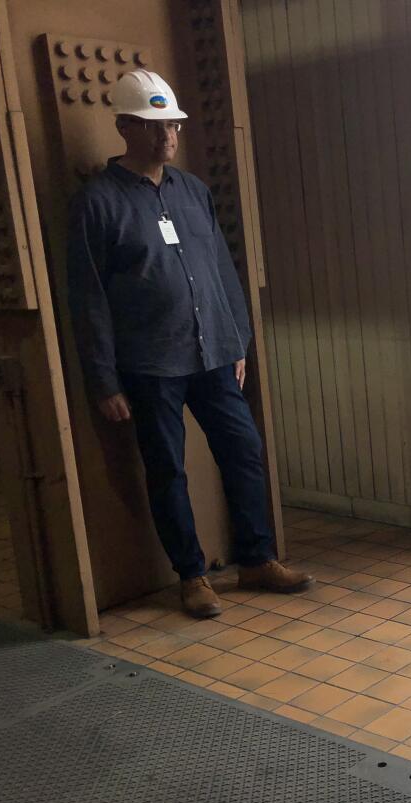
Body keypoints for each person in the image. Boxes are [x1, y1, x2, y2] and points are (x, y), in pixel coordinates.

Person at [66, 69, 311, 618]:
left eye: (172, 124)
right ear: (125, 126)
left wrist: (238, 340)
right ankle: (192, 576)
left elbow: (222, 270)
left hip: (214, 355)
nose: (167, 136)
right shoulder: (97, 203)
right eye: (154, 126)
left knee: (244, 452)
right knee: (167, 469)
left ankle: (256, 559)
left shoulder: (193, 190)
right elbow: (88, 298)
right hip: (150, 365)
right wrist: (104, 378)